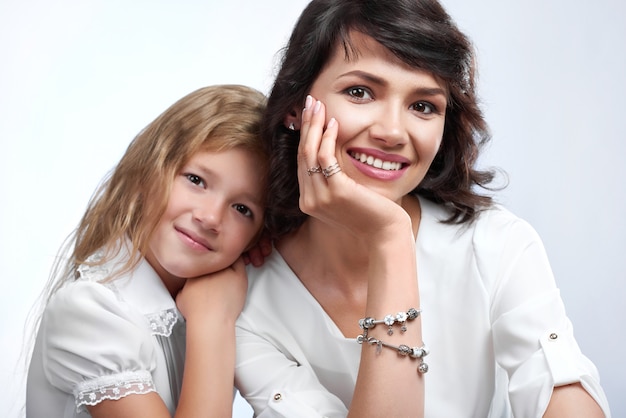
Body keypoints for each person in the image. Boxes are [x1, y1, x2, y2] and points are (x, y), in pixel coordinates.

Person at [233, 1, 611, 417]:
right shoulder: (247, 302)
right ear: (294, 107)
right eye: (360, 92)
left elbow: (564, 394)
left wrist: (385, 236)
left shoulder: (494, 244)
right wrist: (390, 239)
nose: (393, 132)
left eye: (423, 106)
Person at [26, 84, 268, 417]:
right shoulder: (91, 310)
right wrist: (213, 322)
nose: (210, 217)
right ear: (149, 170)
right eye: (196, 180)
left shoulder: (217, 299)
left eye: (242, 209)